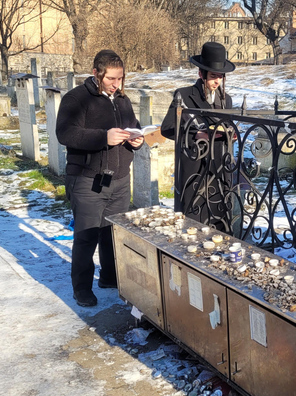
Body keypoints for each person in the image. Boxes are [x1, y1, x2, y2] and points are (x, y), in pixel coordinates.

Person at [56, 50, 143, 307]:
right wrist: (102, 138)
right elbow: (66, 134)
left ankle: (109, 277)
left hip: (119, 180)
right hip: (87, 179)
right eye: (111, 79)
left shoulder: (123, 100)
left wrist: (136, 141)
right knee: (86, 235)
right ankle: (82, 288)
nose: (117, 84)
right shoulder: (77, 99)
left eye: (121, 79)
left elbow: (133, 126)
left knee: (111, 234)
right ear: (96, 73)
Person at [161, 41, 235, 232]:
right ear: (201, 74)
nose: (216, 81)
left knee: (220, 221)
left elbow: (229, 126)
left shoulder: (227, 99)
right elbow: (167, 128)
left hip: (220, 167)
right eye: (212, 76)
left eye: (220, 76)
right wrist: (195, 134)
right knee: (194, 223)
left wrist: (231, 134)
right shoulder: (184, 96)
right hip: (194, 168)